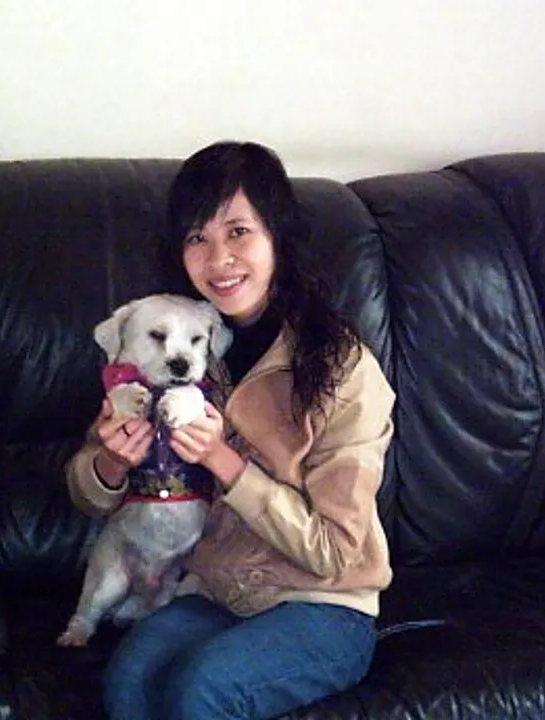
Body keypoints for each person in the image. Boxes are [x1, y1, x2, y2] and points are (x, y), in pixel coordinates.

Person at [65, 141, 396, 720]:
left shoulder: (344, 370)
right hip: (216, 589)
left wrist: (225, 462)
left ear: (277, 237)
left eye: (238, 232)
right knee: (128, 685)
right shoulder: (181, 347)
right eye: (198, 237)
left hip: (323, 602)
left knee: (200, 691)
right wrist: (110, 464)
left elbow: (336, 552)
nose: (219, 258)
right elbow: (88, 492)